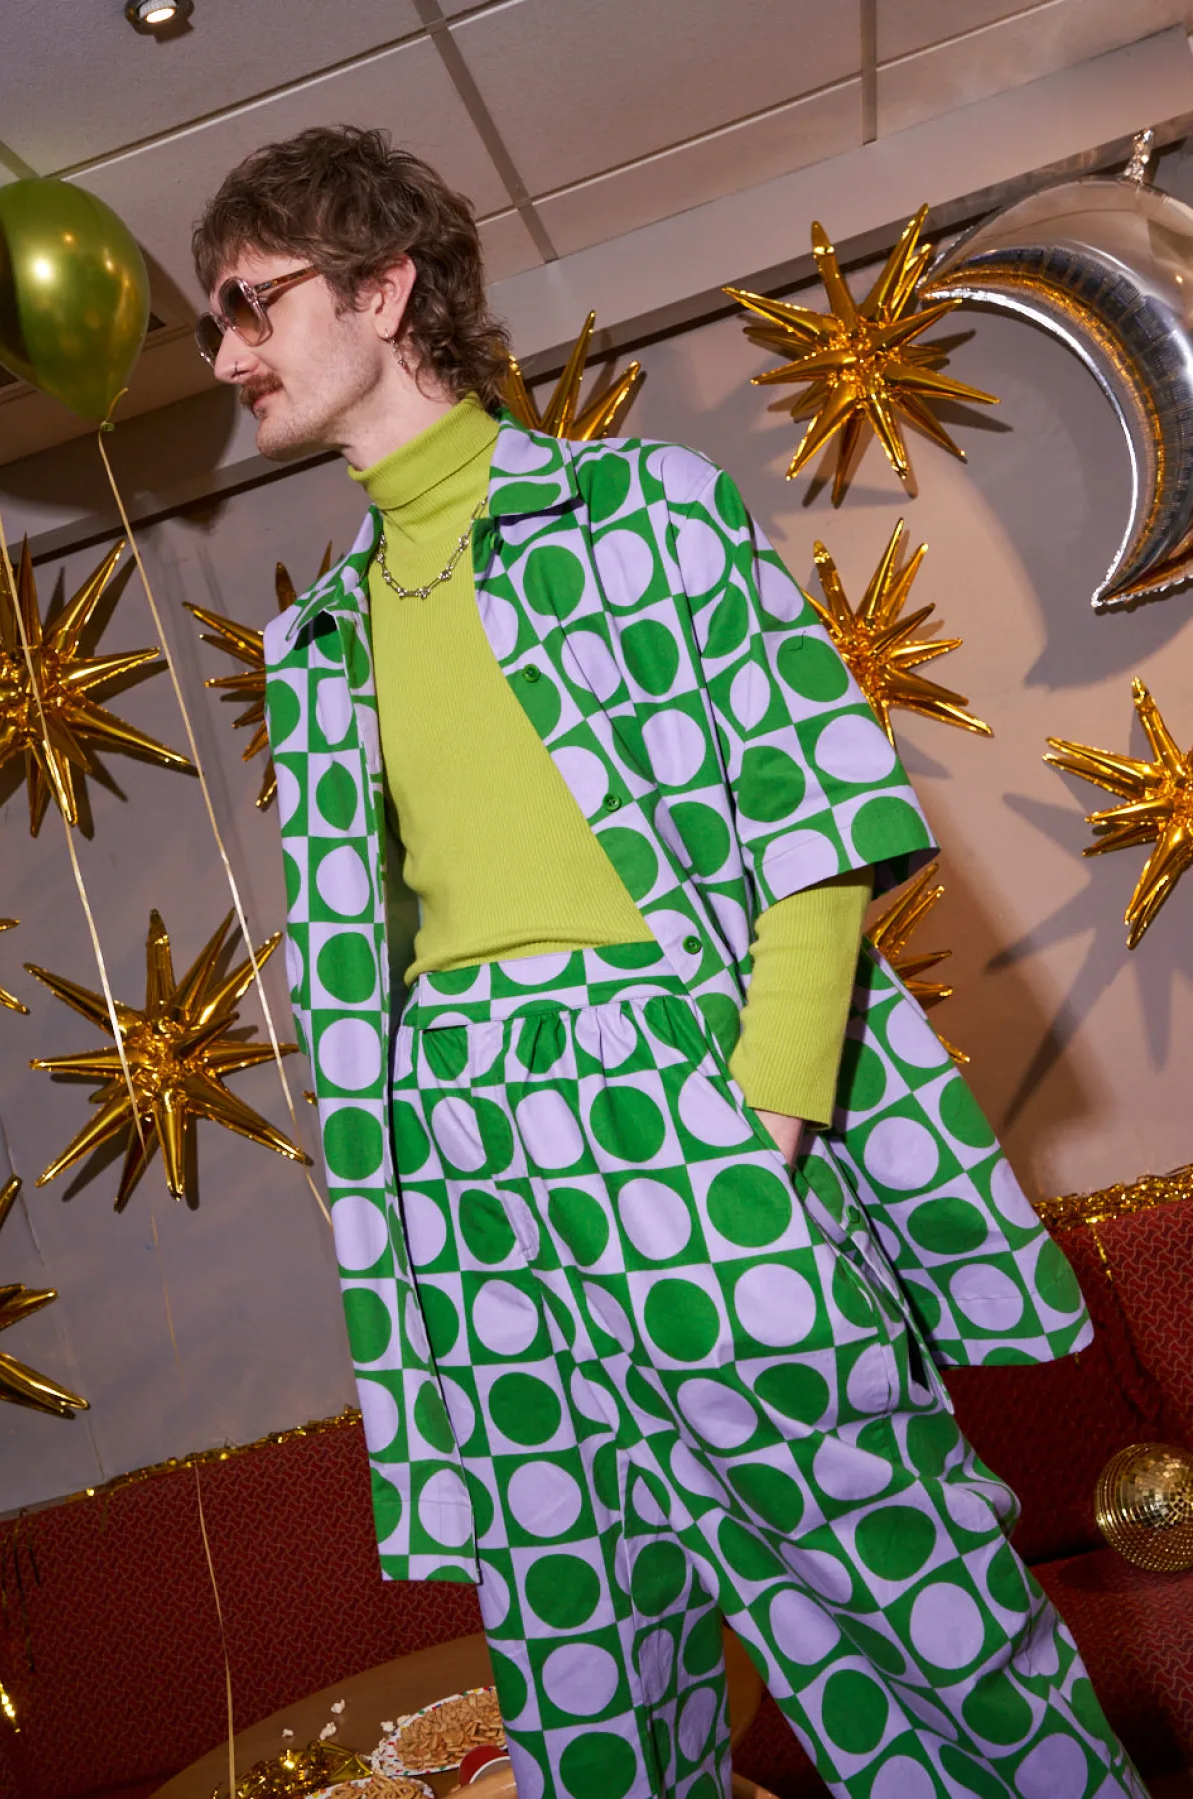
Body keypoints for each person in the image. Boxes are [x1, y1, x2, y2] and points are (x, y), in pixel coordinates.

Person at [192, 126, 1143, 1799]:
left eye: (250, 305)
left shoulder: (638, 509)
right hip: (459, 1157)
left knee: (905, 1589)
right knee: (580, 1665)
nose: (225, 356)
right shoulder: (316, 640)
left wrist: (760, 1124)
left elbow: (813, 814)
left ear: (384, 288)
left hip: (667, 1095)